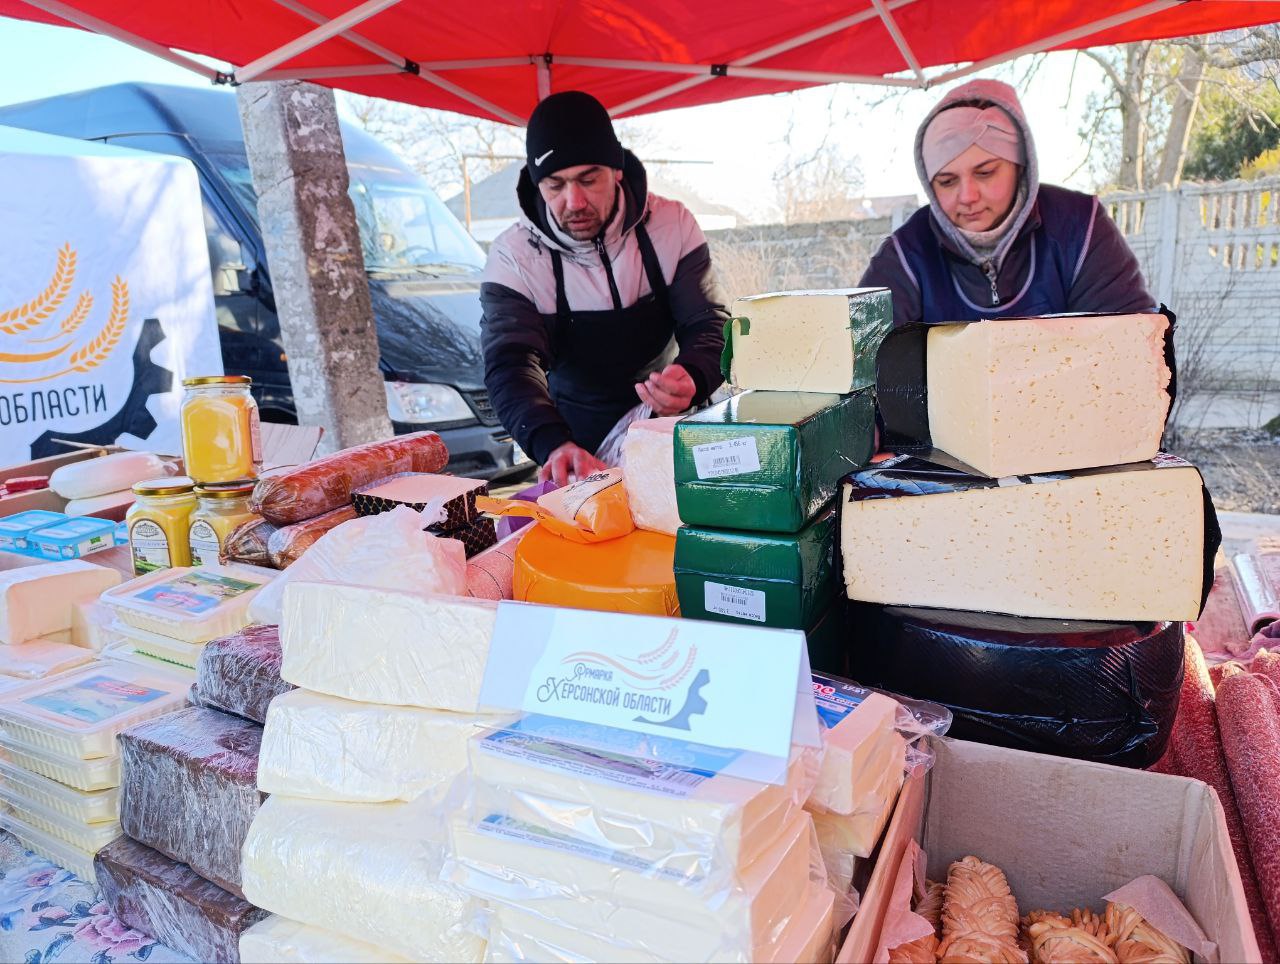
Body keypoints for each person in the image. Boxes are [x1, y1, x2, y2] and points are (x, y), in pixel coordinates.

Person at [480, 91, 729, 485]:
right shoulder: (515, 257)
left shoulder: (672, 225)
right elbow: (511, 364)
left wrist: (695, 375)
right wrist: (550, 442)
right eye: (555, 185)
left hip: (667, 422)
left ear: (616, 170)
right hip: (571, 436)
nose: (573, 201)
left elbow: (708, 322)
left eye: (588, 179)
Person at [860, 78, 1155, 325]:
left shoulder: (1079, 227)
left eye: (985, 173)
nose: (967, 196)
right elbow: (860, 363)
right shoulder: (907, 253)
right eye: (947, 182)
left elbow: (1135, 349)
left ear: (1020, 167)